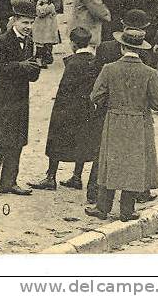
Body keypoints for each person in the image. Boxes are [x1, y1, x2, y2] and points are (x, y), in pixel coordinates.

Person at [86, 29, 158, 222]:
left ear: (122, 47)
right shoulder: (150, 73)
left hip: (114, 120)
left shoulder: (109, 68)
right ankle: (127, 210)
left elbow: (95, 96)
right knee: (133, 164)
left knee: (110, 162)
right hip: (139, 122)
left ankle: (102, 208)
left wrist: (112, 103)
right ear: (140, 50)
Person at [0, 0, 41, 196]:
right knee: (7, 139)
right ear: (14, 21)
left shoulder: (30, 42)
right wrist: (20, 66)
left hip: (20, 97)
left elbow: (32, 75)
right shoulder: (0, 41)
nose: (28, 27)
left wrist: (34, 69)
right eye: (24, 22)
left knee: (16, 139)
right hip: (2, 98)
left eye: (31, 23)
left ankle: (3, 180)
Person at [28, 27, 100, 192]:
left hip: (67, 107)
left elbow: (65, 88)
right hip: (86, 108)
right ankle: (76, 176)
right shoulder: (93, 60)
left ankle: (51, 177)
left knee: (56, 139)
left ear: (73, 43)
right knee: (81, 140)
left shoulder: (73, 62)